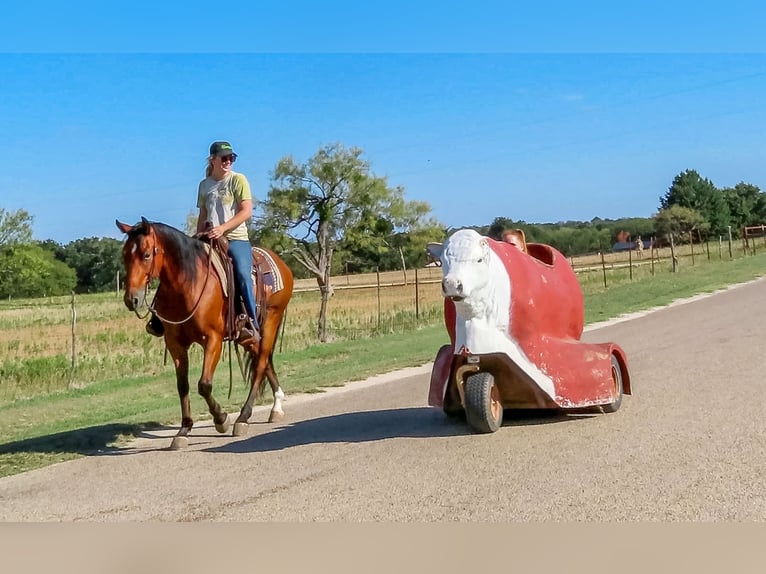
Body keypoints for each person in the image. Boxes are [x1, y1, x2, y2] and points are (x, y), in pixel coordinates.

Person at [146, 140, 259, 343]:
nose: (228, 161)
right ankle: (160, 318)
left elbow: (246, 211)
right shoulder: (204, 185)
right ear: (213, 160)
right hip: (207, 240)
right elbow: (203, 214)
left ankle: (251, 323)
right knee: (178, 268)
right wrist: (196, 237)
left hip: (235, 239)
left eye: (231, 158)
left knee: (242, 274)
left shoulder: (238, 180)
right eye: (224, 158)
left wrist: (223, 229)